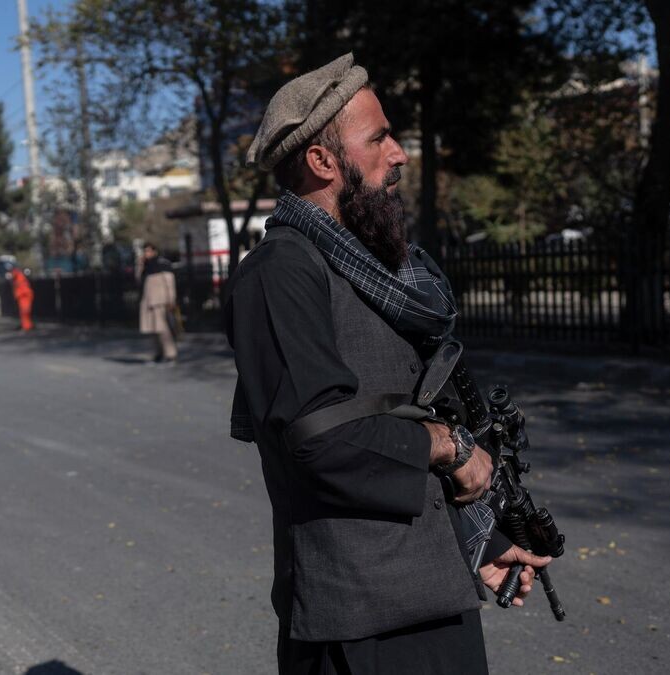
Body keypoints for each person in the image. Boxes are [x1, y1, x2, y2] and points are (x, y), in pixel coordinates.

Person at [227, 54, 550, 674]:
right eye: (378, 138)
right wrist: (450, 447)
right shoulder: (281, 273)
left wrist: (481, 538)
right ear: (323, 161)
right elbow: (321, 440)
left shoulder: (373, 270)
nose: (399, 153)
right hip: (357, 620)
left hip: (433, 594)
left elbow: (396, 412)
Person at [138, 243, 178, 364]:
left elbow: (170, 283)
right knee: (153, 330)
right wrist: (140, 265)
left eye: (149, 251)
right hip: (148, 301)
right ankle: (158, 353)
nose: (146, 254)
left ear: (154, 251)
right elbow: (138, 280)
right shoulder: (146, 266)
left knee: (163, 329)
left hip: (160, 301)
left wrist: (171, 299)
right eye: (145, 251)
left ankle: (171, 354)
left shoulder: (163, 264)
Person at [11, 268, 34, 332]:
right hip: (23, 297)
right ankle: (27, 325)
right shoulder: (19, 278)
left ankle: (26, 326)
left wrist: (17, 295)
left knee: (24, 312)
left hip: (24, 297)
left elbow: (22, 289)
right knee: (24, 313)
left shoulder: (19, 278)